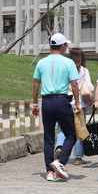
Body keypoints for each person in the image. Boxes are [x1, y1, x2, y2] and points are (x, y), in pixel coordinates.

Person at [31, 33, 82, 182]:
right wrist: (78, 103)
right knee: (71, 134)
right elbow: (74, 84)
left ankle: (49, 172)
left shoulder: (41, 62)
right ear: (62, 46)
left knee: (48, 138)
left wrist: (35, 104)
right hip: (61, 100)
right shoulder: (68, 62)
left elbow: (35, 85)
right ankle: (59, 162)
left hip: (46, 101)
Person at [54, 47, 93, 165]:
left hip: (64, 102)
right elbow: (90, 87)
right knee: (79, 129)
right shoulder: (84, 71)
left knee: (63, 128)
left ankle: (59, 147)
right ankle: (78, 157)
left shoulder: (63, 69)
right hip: (79, 103)